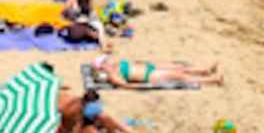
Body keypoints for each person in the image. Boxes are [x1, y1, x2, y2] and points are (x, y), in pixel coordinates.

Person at [87, 54, 222, 89]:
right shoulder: (112, 75)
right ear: (102, 67)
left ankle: (205, 70)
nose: (108, 61)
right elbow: (125, 85)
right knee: (181, 77)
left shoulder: (115, 65)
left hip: (150, 67)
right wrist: (141, 86)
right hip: (149, 76)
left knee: (179, 67)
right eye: (105, 62)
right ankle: (213, 80)